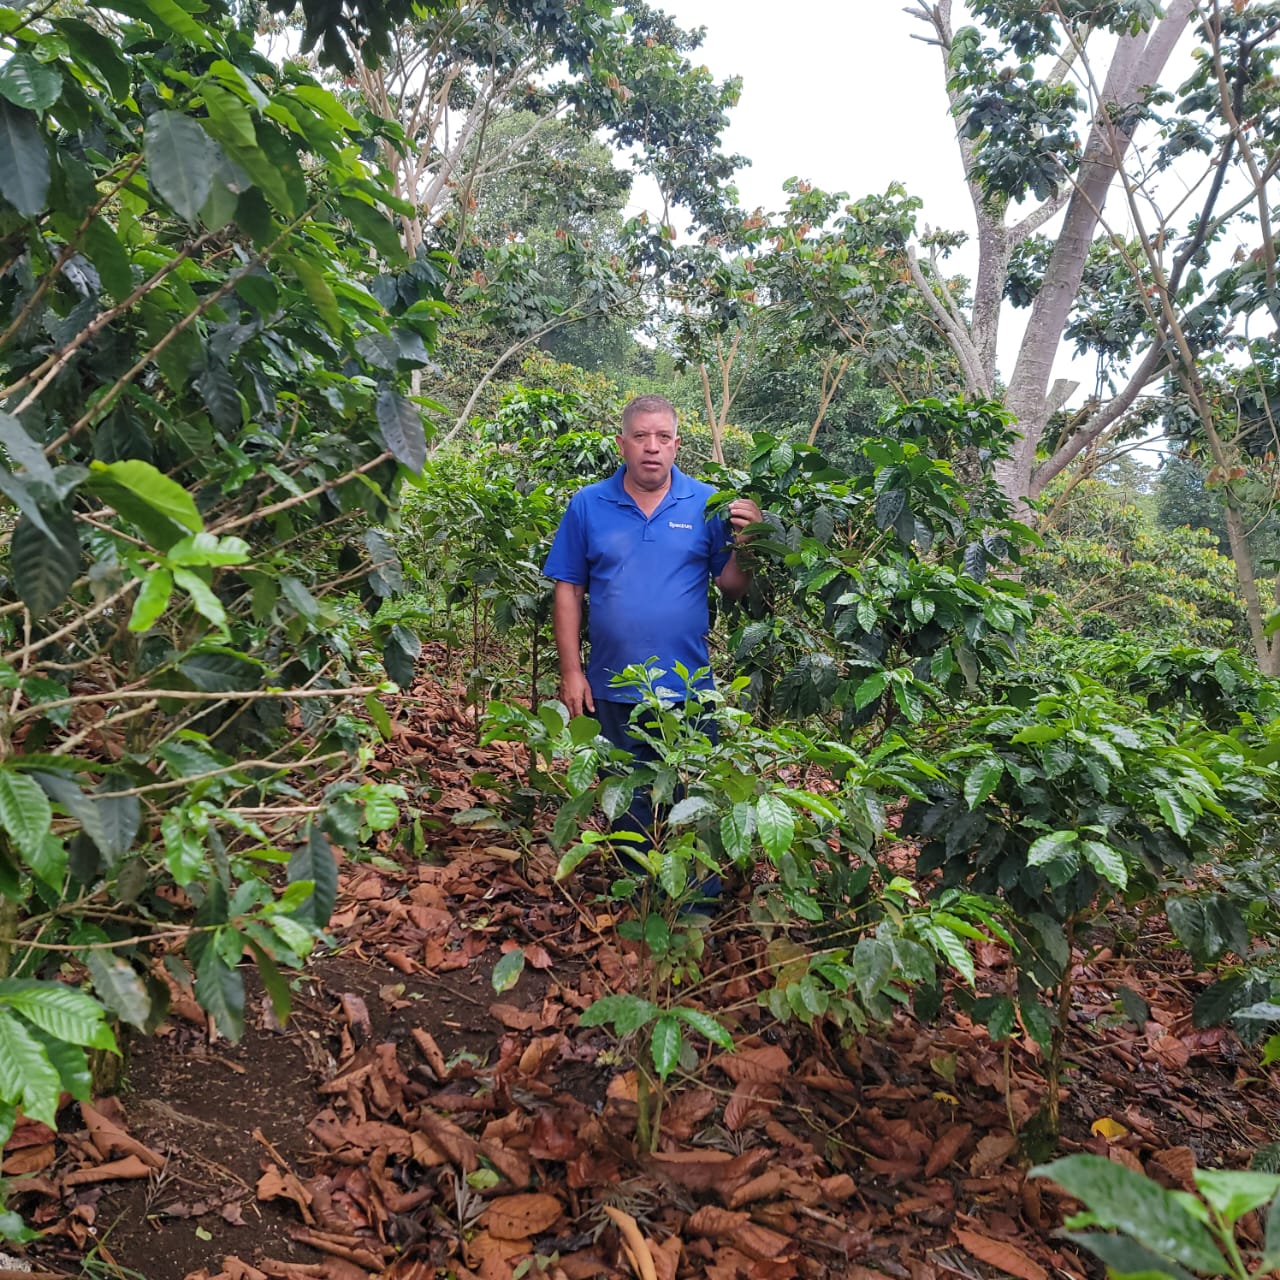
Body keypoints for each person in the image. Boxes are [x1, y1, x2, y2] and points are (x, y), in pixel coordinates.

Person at [542, 393, 761, 874]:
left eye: (663, 437)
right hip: (612, 686)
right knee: (625, 800)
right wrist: (572, 671)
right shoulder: (588, 505)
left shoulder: (706, 504)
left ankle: (691, 910)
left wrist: (748, 540)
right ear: (622, 444)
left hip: (688, 688)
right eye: (641, 436)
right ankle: (636, 899)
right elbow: (568, 590)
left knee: (691, 803)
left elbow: (732, 585)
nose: (652, 447)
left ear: (677, 444)